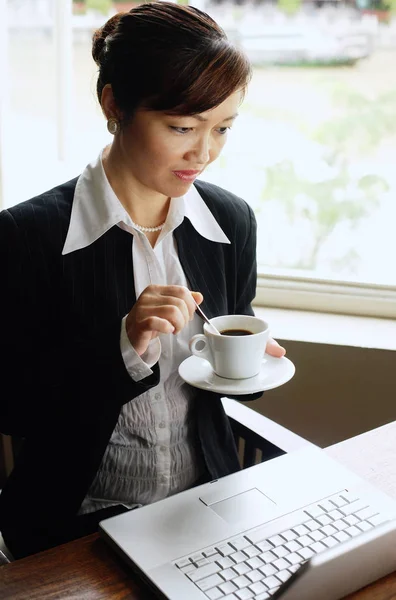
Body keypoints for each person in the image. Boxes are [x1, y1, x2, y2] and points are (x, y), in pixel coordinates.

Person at [0, 1, 286, 559]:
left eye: (222, 128)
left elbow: (224, 362)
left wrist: (251, 361)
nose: (203, 152)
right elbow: (12, 407)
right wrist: (121, 349)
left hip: (207, 506)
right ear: (115, 104)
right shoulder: (24, 236)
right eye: (182, 127)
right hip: (74, 523)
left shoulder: (230, 222)